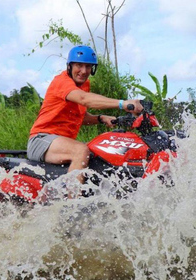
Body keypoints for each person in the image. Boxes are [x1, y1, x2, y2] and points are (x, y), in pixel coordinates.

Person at [27, 45, 143, 184]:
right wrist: (123, 104)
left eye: (88, 67)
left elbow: (78, 116)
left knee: (99, 152)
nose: (83, 71)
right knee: (80, 150)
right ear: (69, 66)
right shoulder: (62, 82)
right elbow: (84, 99)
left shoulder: (83, 84)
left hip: (60, 142)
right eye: (79, 65)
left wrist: (100, 118)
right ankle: (71, 203)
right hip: (41, 140)